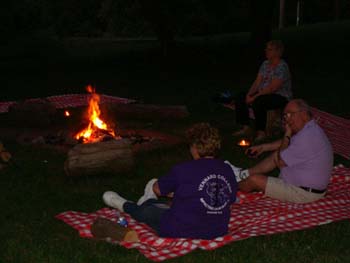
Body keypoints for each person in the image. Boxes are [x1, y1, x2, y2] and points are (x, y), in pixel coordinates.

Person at [101, 123, 238, 240]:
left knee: (149, 212)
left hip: (179, 230)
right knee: (171, 204)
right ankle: (150, 201)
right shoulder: (227, 169)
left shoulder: (184, 169)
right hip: (216, 230)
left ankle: (124, 204)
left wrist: (170, 192)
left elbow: (157, 189)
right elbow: (229, 201)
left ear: (194, 148)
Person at [234, 99, 333, 203]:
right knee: (279, 153)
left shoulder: (307, 137)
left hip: (303, 193)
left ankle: (229, 185)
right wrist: (263, 147)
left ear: (303, 114)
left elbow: (280, 160)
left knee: (254, 180)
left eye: (290, 114)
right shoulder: (309, 129)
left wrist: (287, 133)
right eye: (285, 116)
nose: (287, 119)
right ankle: (244, 174)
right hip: (305, 187)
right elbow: (290, 143)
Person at [233, 40, 293, 142]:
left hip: (279, 96)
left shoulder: (282, 67)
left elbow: (272, 88)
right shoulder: (265, 64)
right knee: (240, 96)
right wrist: (249, 94)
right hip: (263, 93)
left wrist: (255, 97)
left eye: (269, 49)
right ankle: (245, 127)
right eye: (266, 48)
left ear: (277, 52)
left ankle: (261, 132)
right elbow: (257, 82)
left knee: (259, 102)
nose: (266, 51)